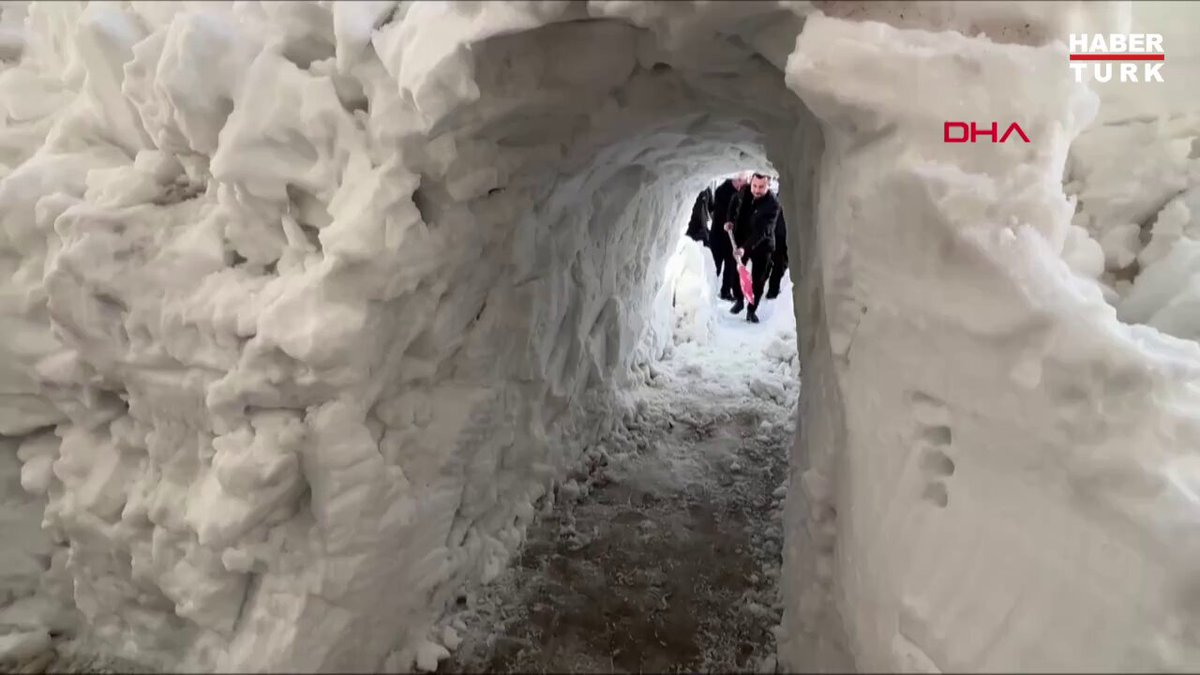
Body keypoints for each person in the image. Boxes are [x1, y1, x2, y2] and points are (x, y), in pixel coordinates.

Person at [723, 172, 779, 323]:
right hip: (742, 237)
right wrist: (730, 220)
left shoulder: (772, 204)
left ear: (768, 185)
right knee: (737, 271)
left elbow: (762, 231)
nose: (757, 190)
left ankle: (751, 310)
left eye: (761, 187)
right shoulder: (745, 191)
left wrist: (744, 249)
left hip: (762, 244)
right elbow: (734, 202)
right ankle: (739, 300)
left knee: (758, 279)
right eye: (755, 185)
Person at [710, 172, 750, 301]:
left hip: (732, 237)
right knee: (716, 264)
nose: (744, 186)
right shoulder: (722, 191)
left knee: (730, 265)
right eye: (744, 182)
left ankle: (726, 291)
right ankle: (710, 290)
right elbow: (721, 213)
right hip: (719, 235)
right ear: (738, 180)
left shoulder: (742, 193)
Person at [766, 208, 787, 299]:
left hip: (779, 234)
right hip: (780, 236)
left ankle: (773, 290)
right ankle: (772, 291)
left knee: (780, 264)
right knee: (779, 264)